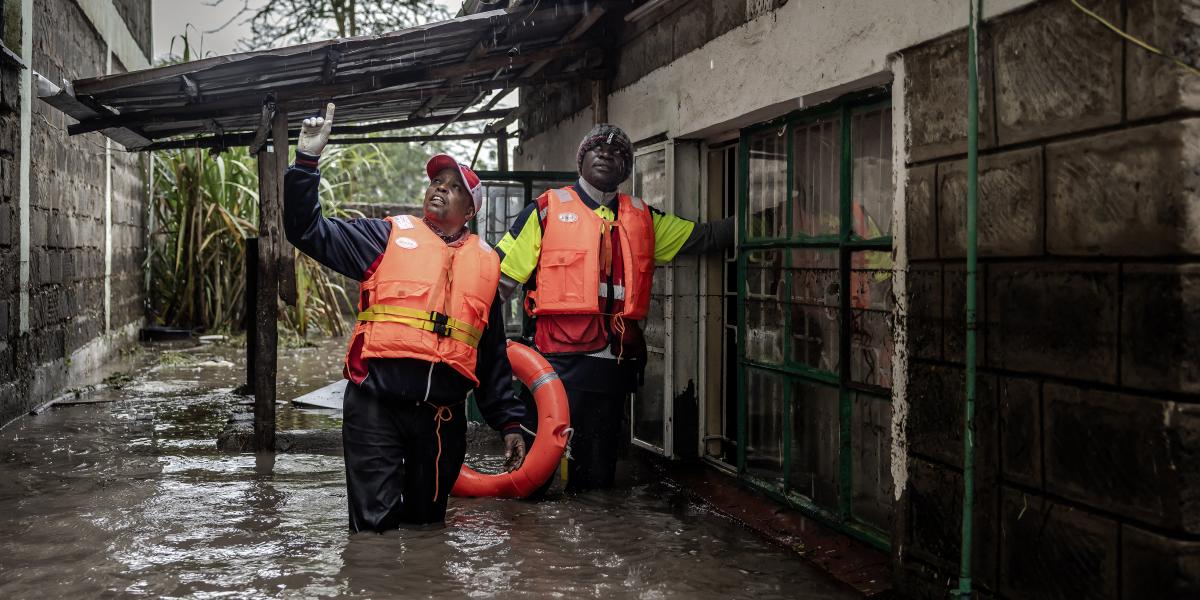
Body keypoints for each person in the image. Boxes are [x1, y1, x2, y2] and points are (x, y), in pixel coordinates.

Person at [283, 103, 527, 531]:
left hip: (441, 418)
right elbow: (307, 230)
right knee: (373, 530)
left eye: (454, 186)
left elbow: (491, 356)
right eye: (436, 181)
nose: (440, 188)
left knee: (427, 526)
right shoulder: (385, 236)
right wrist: (306, 163)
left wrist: (509, 422)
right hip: (376, 404)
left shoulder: (487, 266)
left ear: (471, 210)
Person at [495, 123, 735, 492]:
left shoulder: (645, 219)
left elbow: (707, 238)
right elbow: (500, 284)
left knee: (596, 479)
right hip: (555, 364)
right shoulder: (545, 211)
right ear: (582, 160)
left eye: (618, 151)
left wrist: (766, 219)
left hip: (613, 368)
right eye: (596, 148)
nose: (607, 153)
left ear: (627, 169)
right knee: (531, 477)